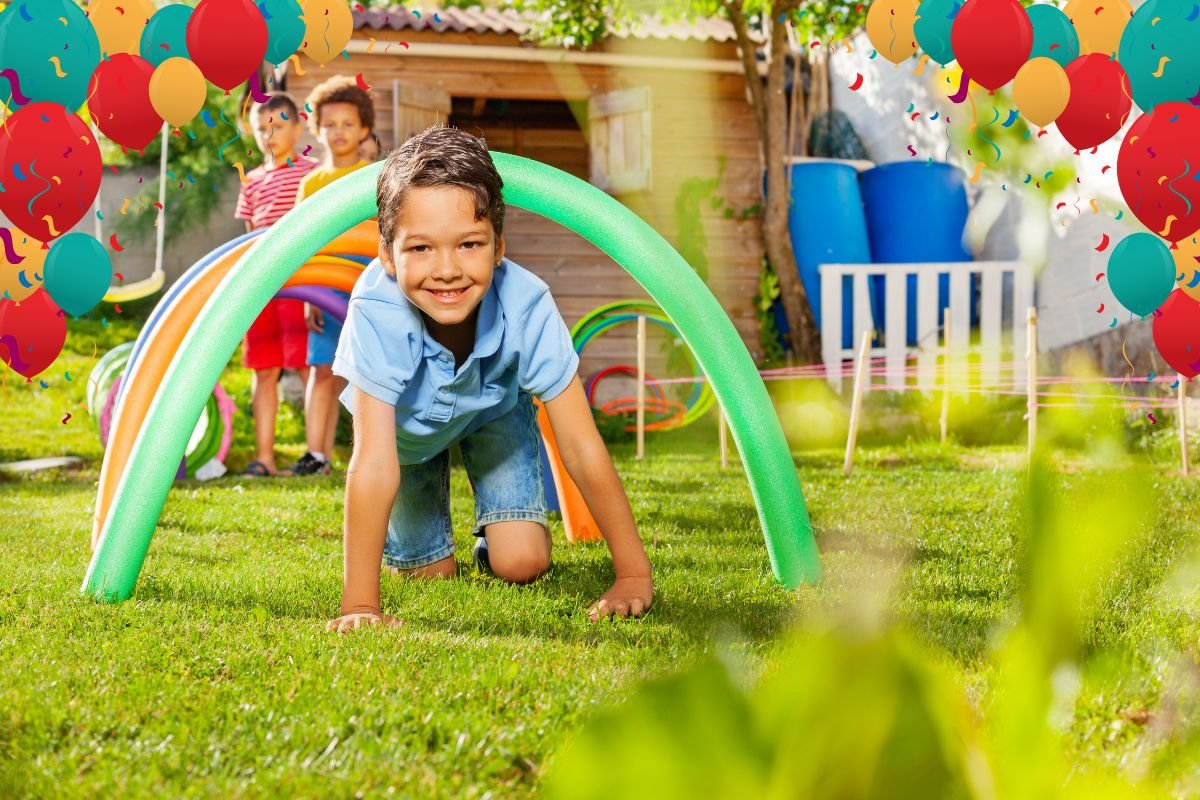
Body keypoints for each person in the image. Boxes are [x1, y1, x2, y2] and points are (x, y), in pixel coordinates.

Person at [325, 126, 654, 633]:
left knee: (521, 564)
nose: (448, 270)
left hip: (491, 413)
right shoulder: (376, 311)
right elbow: (371, 463)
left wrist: (632, 574)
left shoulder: (527, 304)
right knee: (430, 574)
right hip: (405, 440)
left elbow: (582, 448)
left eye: (469, 244)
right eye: (421, 249)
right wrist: (360, 605)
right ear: (387, 254)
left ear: (499, 246)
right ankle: (423, 547)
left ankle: (499, 534)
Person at [282, 76, 377, 477]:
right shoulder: (312, 183)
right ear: (317, 129)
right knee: (322, 370)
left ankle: (371, 453)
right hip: (325, 289)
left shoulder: (374, 177)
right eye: (330, 124)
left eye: (348, 124)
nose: (339, 132)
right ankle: (316, 455)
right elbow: (303, 243)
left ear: (365, 130)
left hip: (367, 289)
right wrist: (309, 298)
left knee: (369, 374)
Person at [234, 92, 319, 477]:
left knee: (307, 366)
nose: (269, 135)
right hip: (263, 288)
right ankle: (264, 457)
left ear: (298, 126)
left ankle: (313, 455)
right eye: (260, 129)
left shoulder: (311, 173)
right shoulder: (251, 182)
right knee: (264, 371)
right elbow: (249, 238)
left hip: (301, 284)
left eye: (278, 126)